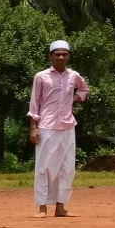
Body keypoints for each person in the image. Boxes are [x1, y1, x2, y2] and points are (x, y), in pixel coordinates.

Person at [27, 39, 89, 218]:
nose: (61, 57)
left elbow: (84, 90)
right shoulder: (41, 76)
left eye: (64, 54)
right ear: (50, 57)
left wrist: (74, 99)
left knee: (67, 168)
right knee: (44, 167)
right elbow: (34, 103)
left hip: (68, 126)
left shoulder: (74, 76)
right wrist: (33, 127)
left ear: (68, 56)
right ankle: (42, 208)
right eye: (57, 54)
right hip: (47, 127)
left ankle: (61, 207)